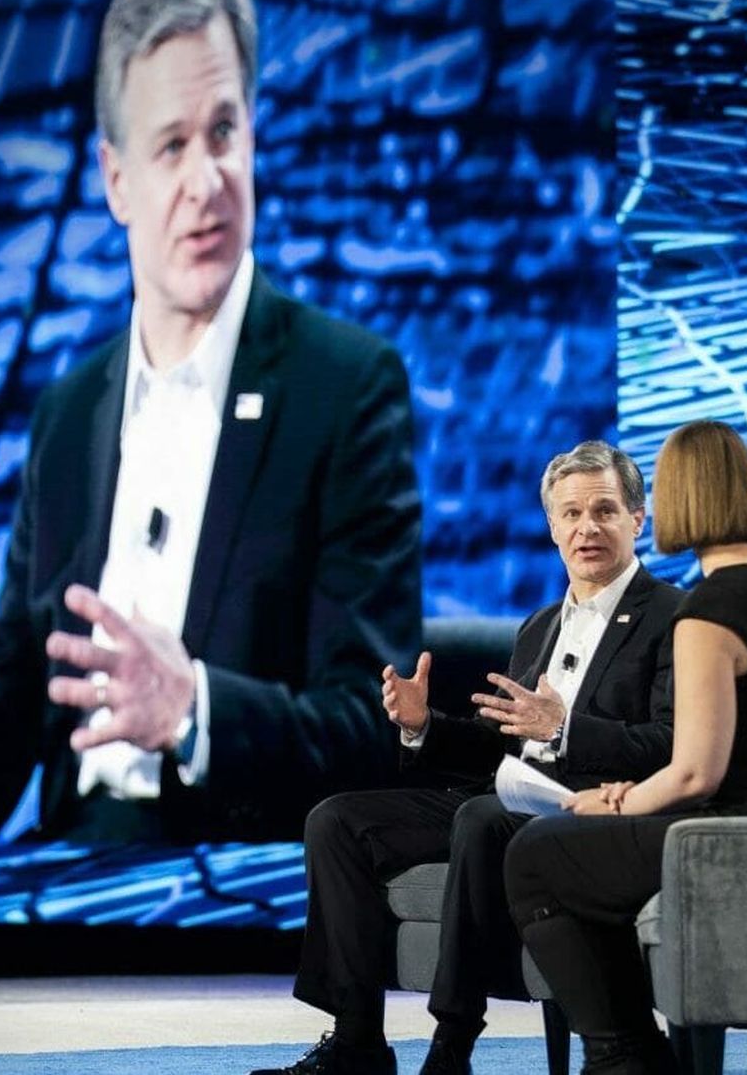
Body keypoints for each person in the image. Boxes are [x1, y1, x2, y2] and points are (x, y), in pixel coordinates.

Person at [0, 0, 422, 844]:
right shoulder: (67, 419)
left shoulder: (345, 390)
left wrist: (193, 711)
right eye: (172, 146)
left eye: (224, 132)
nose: (207, 182)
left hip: (232, 904)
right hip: (59, 901)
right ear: (117, 179)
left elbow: (376, 735)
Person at [257, 441, 682, 1075]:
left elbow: (669, 742)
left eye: (604, 511)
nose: (586, 528)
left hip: (592, 811)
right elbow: (502, 748)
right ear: (551, 526)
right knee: (336, 821)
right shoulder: (539, 626)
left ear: (637, 518)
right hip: (506, 796)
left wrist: (567, 729)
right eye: (570, 515)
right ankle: (357, 1045)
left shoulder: (672, 617)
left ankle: (450, 1045)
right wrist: (424, 726)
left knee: (481, 819)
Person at [503, 420, 747, 1075]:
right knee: (579, 856)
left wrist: (617, 805)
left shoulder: (708, 610)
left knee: (537, 856)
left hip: (744, 838)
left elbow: (693, 773)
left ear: (675, 503)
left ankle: (621, 1054)